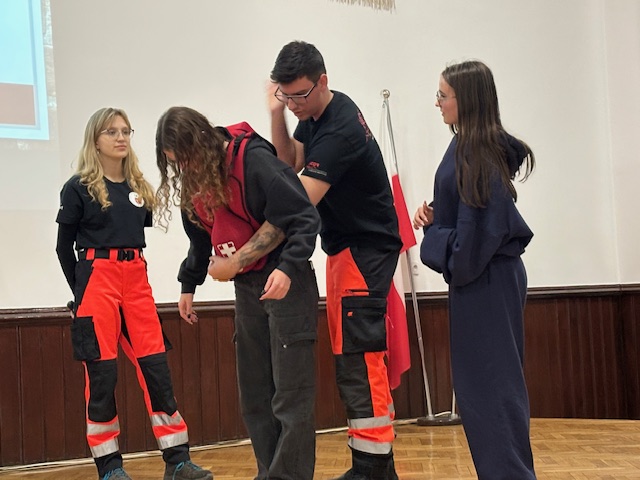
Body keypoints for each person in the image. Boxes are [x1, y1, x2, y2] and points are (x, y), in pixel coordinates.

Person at [155, 106, 321, 480]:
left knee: (290, 396)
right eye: (176, 163)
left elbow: (303, 216)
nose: (185, 168)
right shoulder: (194, 179)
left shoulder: (254, 160)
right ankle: (268, 473)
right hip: (247, 289)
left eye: (187, 158)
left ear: (202, 141)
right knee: (255, 395)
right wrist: (188, 285)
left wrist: (286, 267)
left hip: (285, 281)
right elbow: (200, 239)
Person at [267, 41, 403, 480]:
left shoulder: (340, 129)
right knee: (354, 358)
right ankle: (375, 465)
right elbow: (290, 162)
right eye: (286, 96)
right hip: (347, 251)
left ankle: (373, 469)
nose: (293, 104)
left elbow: (300, 199)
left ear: (323, 81)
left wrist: (255, 235)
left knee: (360, 359)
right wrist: (276, 114)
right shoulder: (316, 113)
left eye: (299, 96)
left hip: (364, 251)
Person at [55, 108, 213, 480]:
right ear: (96, 140)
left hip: (137, 280)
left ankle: (178, 461)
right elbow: (63, 248)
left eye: (126, 131)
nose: (121, 137)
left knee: (156, 370)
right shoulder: (77, 187)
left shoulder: (138, 188)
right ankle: (110, 467)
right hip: (97, 280)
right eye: (112, 131)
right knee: (102, 376)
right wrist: (81, 293)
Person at [413, 60, 537, 479]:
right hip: (489, 280)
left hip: (486, 282)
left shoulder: (475, 154)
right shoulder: (468, 145)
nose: (437, 102)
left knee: (491, 390)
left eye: (443, 95)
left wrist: (434, 236)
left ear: (465, 100)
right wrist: (439, 218)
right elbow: (469, 224)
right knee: (486, 389)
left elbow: (469, 249)